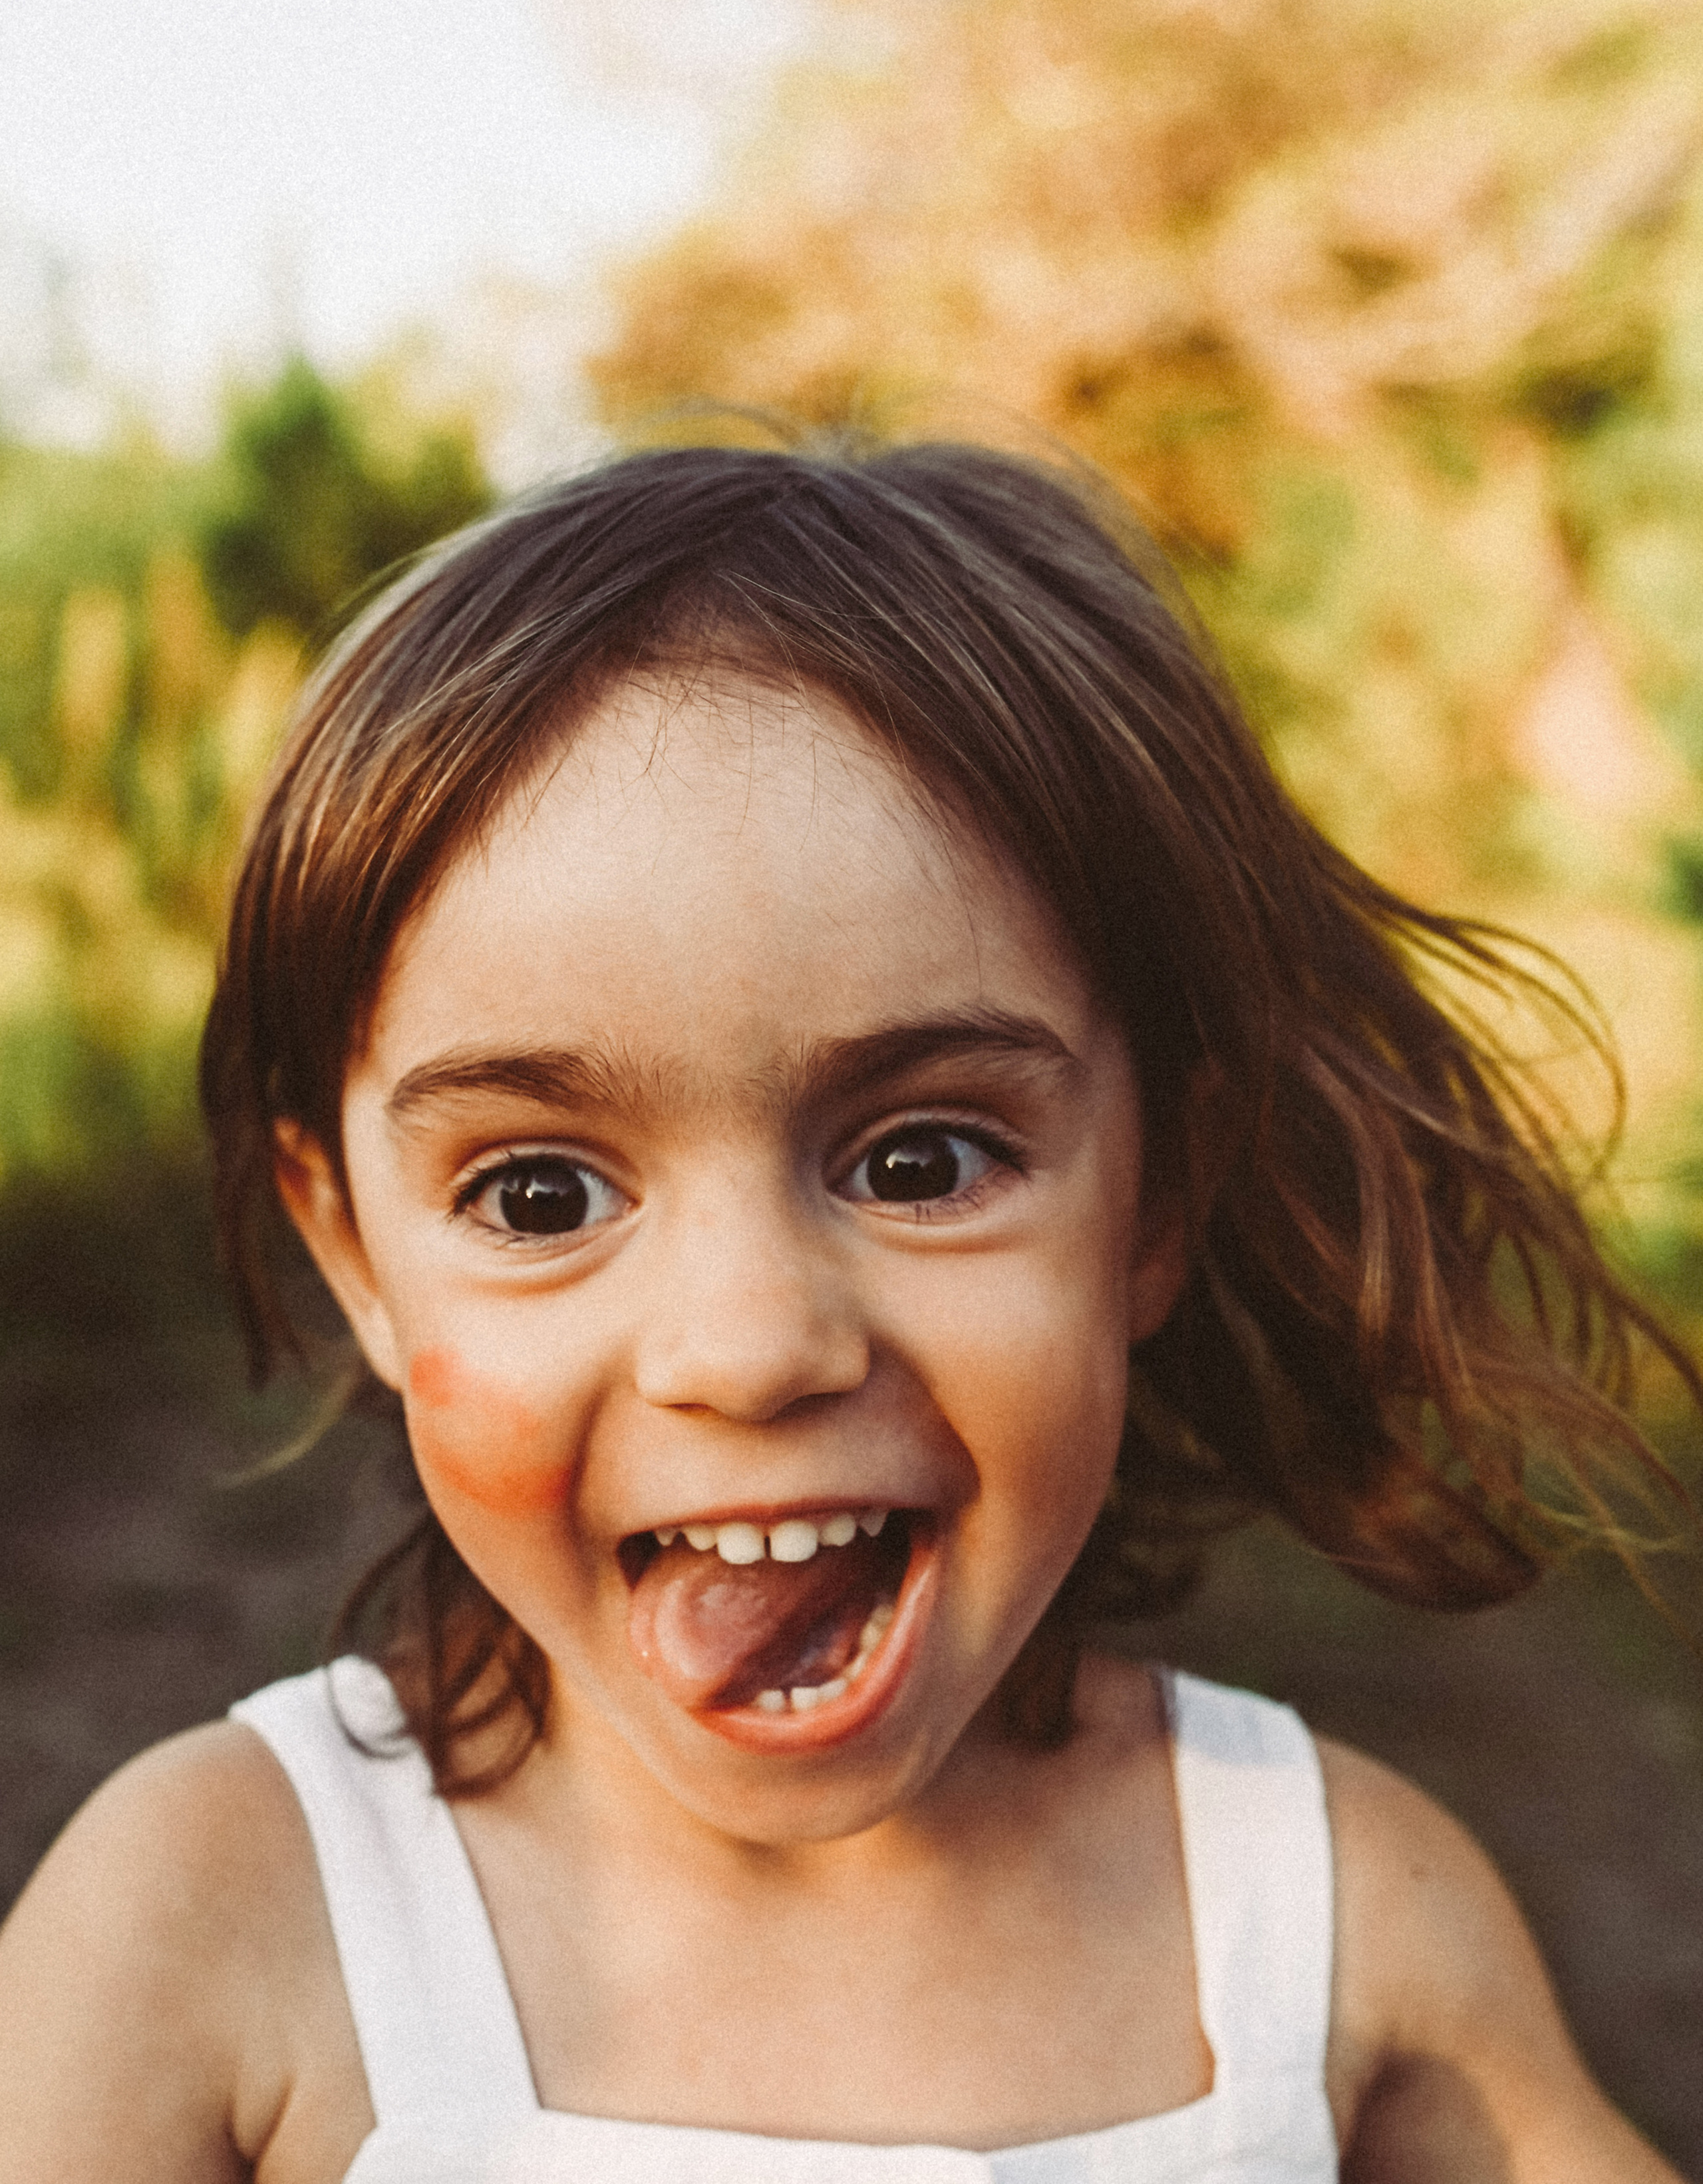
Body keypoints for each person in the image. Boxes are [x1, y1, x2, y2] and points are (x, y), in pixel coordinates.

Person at [0, 434, 1695, 2183]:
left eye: (920, 1161)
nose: (750, 1345)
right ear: (354, 1253)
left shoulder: (1335, 1924)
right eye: (537, 1196)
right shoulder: (209, 1932)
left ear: (1157, 1202)